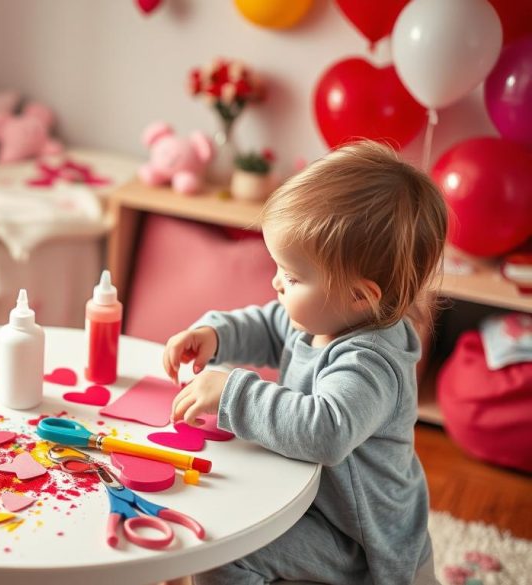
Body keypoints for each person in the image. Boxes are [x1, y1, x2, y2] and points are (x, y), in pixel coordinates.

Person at [163, 140, 446, 584]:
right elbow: (269, 324)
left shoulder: (372, 362)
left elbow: (326, 430)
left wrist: (232, 393)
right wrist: (214, 335)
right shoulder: (324, 314)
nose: (276, 282)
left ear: (360, 295)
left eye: (292, 276)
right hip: (313, 501)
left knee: (224, 549)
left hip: (356, 537)